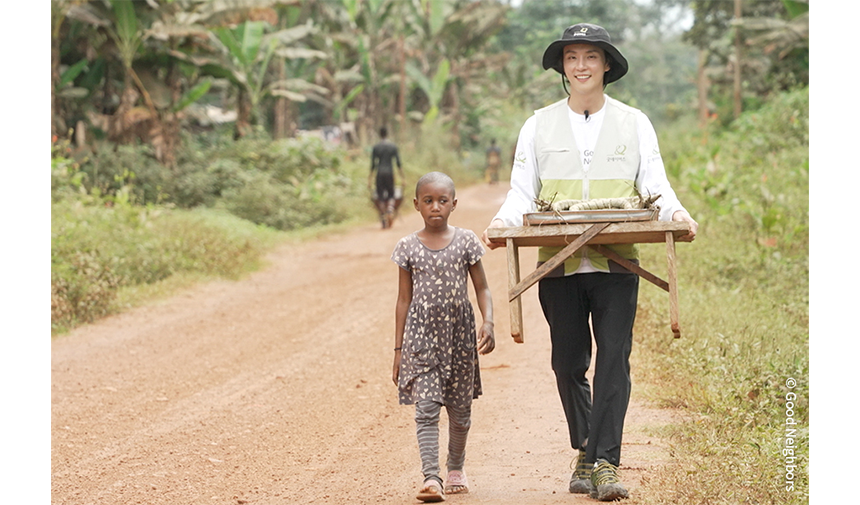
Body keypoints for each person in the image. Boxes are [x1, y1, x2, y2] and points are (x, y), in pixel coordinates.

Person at [481, 23, 698, 501]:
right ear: (562, 66)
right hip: (555, 264)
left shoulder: (634, 122)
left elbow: (655, 183)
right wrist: (501, 224)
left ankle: (604, 462)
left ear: (606, 66)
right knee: (566, 363)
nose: (580, 65)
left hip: (618, 262)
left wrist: (677, 213)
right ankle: (586, 448)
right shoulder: (537, 124)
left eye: (590, 57)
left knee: (614, 359)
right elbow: (521, 191)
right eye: (572, 57)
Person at [392, 171, 495, 502]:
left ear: (454, 204)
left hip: (459, 339)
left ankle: (455, 467)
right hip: (421, 339)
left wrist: (488, 321)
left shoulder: (466, 241)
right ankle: (431, 477)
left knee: (460, 411)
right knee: (426, 409)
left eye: (442, 201)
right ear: (416, 205)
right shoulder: (407, 247)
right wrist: (398, 350)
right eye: (428, 201)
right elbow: (403, 300)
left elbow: (482, 287)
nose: (435, 207)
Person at [369, 126, 405, 229]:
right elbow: (398, 163)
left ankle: (383, 217)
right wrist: (403, 177)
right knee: (391, 194)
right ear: (387, 134)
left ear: (380, 134)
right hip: (390, 173)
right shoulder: (393, 147)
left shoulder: (376, 147)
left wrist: (370, 178)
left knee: (380, 196)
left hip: (379, 173)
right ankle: (390, 210)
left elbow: (373, 165)